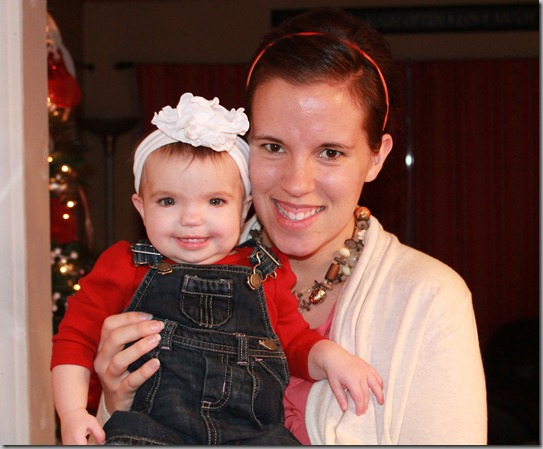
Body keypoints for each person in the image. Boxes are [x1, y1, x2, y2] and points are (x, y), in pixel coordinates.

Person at [92, 7, 487, 445]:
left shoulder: (429, 301)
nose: (297, 184)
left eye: (330, 152)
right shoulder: (166, 271)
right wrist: (115, 401)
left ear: (376, 157)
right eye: (273, 146)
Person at [51, 92, 384, 445]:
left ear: (243, 208)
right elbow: (75, 339)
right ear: (141, 206)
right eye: (168, 201)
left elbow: (295, 342)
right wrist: (72, 411)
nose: (191, 218)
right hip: (154, 433)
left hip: (253, 436)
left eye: (214, 201)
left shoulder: (264, 273)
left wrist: (331, 358)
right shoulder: (125, 266)